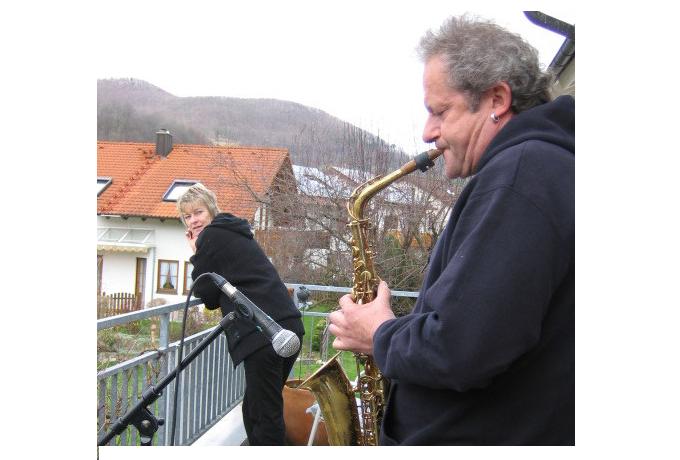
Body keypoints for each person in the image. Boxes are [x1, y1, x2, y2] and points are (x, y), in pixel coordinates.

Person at [328, 15, 574, 445]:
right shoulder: (540, 169)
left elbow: (462, 348)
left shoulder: (520, 176)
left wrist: (379, 333)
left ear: (497, 99)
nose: (428, 133)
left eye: (440, 112)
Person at [177, 183, 305, 445]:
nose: (193, 220)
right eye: (187, 216)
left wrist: (196, 253)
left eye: (198, 212)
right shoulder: (233, 230)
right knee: (256, 409)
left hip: (264, 333)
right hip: (287, 326)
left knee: (264, 417)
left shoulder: (211, 236)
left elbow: (206, 293)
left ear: (211, 210)